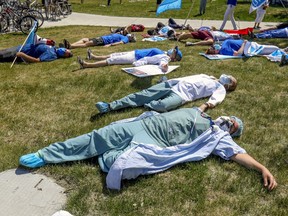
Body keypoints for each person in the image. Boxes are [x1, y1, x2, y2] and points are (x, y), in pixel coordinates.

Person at [19, 106, 277, 191]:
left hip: (155, 142)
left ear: (232, 133)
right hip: (143, 126)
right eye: (232, 119)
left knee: (122, 164)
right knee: (96, 136)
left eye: (234, 126)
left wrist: (262, 167)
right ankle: (45, 155)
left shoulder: (218, 137)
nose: (230, 122)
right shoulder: (201, 111)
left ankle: (106, 158)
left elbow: (238, 155)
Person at [94, 74, 237, 113]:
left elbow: (216, 99)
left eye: (229, 79)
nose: (227, 76)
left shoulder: (221, 88)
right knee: (142, 94)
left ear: (228, 85)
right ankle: (110, 106)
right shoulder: (208, 76)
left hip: (183, 95)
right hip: (172, 84)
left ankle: (147, 104)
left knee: (164, 105)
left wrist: (208, 104)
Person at [77, 46, 182, 72]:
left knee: (112, 61)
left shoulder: (166, 58)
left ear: (174, 57)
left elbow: (163, 64)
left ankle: (86, 65)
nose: (172, 50)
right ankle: (93, 57)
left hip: (134, 57)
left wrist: (164, 66)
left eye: (174, 52)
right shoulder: (164, 53)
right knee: (113, 55)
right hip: (135, 52)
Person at [0, 41, 73, 63]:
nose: (65, 50)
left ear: (64, 56)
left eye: (66, 52)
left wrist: (22, 55)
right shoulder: (54, 48)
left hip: (18, 53)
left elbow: (37, 60)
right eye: (66, 49)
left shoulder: (52, 55)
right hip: (21, 47)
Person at [205, 39, 287, 58]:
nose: (214, 46)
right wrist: (244, 43)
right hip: (248, 48)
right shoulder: (223, 50)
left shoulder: (224, 43)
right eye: (213, 48)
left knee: (273, 49)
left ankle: (283, 50)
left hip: (250, 45)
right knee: (274, 49)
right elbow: (238, 54)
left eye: (212, 46)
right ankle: (284, 52)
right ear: (215, 52)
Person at [62, 33, 136, 49]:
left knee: (87, 43)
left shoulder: (126, 39)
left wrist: (110, 45)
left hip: (104, 41)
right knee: (84, 39)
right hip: (102, 38)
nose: (131, 35)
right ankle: (70, 45)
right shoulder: (123, 36)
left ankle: (70, 46)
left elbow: (120, 43)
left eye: (132, 36)